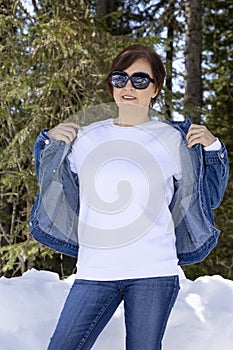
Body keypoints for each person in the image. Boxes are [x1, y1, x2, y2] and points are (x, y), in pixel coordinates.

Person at [30, 44, 229, 350]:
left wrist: (214, 150)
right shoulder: (85, 138)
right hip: (96, 270)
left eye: (139, 80)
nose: (128, 87)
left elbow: (208, 198)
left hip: (154, 271)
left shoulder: (174, 140)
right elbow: (51, 184)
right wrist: (49, 144)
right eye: (120, 78)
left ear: (155, 89)